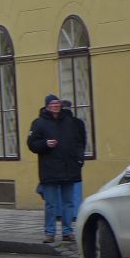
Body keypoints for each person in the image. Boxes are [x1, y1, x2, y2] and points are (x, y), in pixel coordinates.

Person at [27, 93, 86, 244]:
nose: (55, 106)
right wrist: (45, 144)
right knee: (51, 204)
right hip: (49, 168)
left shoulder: (71, 122)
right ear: (47, 106)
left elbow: (80, 141)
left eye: (57, 103)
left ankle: (67, 231)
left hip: (69, 167)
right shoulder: (39, 123)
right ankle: (50, 233)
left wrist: (79, 158)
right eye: (52, 104)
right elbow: (32, 144)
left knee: (68, 202)